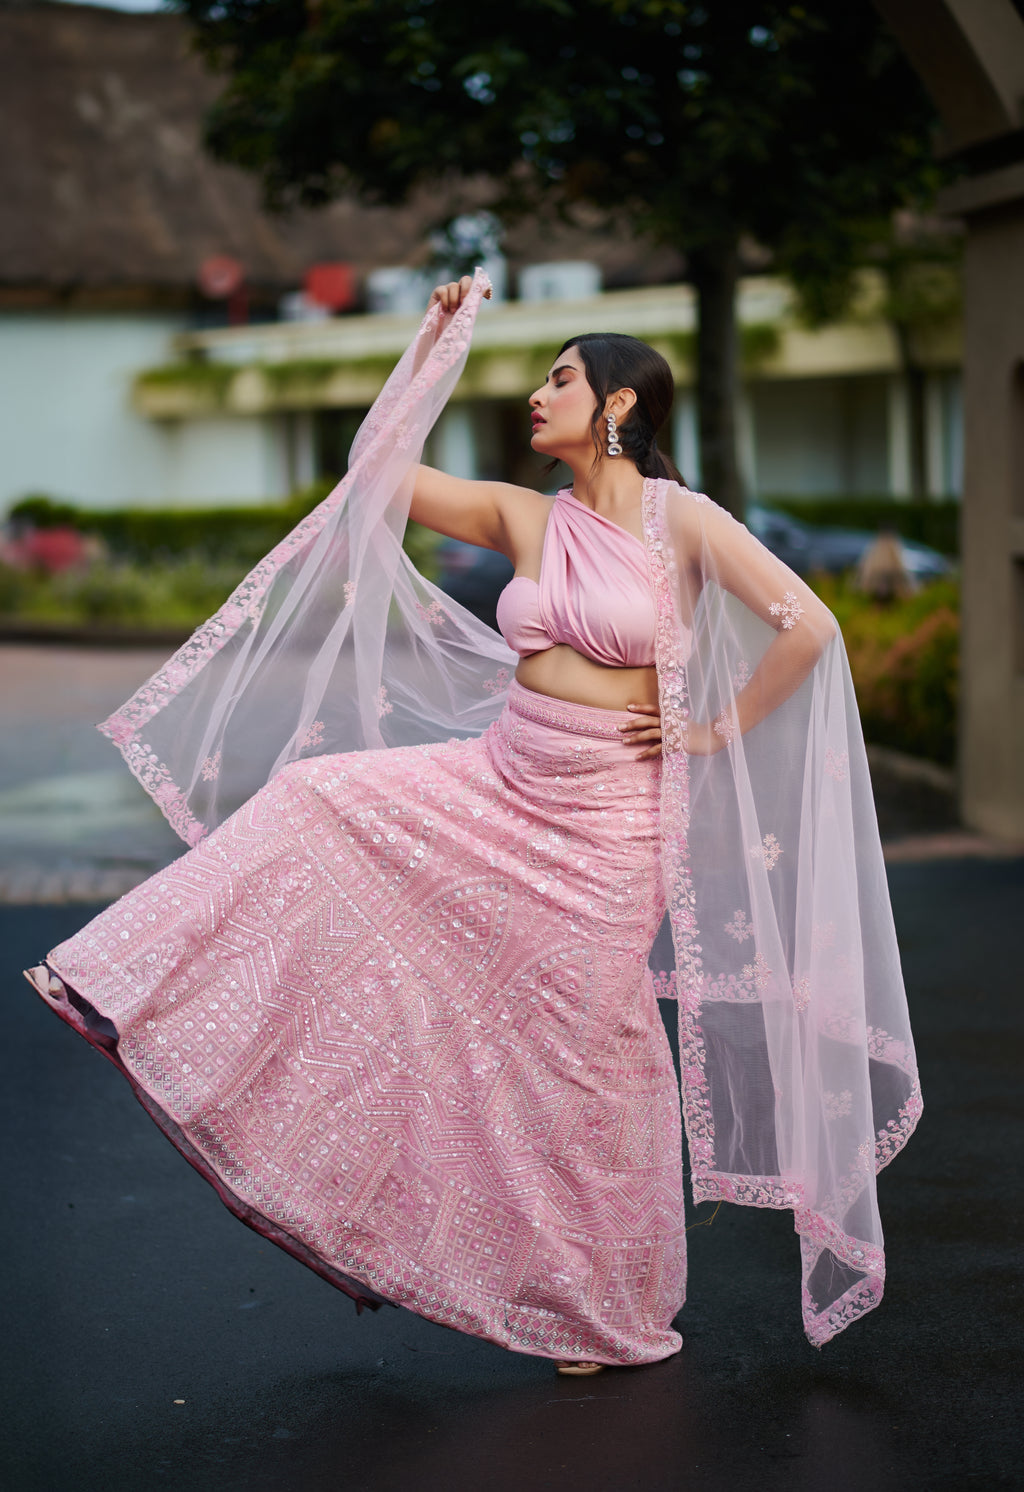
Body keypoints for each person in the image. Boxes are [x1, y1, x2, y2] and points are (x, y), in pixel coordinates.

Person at [25, 270, 920, 1376]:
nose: (537, 397)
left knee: (590, 1053)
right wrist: (433, 347)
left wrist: (712, 730)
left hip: (605, 826)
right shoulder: (521, 513)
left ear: (620, 405)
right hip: (498, 779)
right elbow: (376, 476)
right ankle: (122, 978)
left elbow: (809, 623)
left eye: (558, 379)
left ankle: (608, 1308)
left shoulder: (678, 520)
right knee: (313, 796)